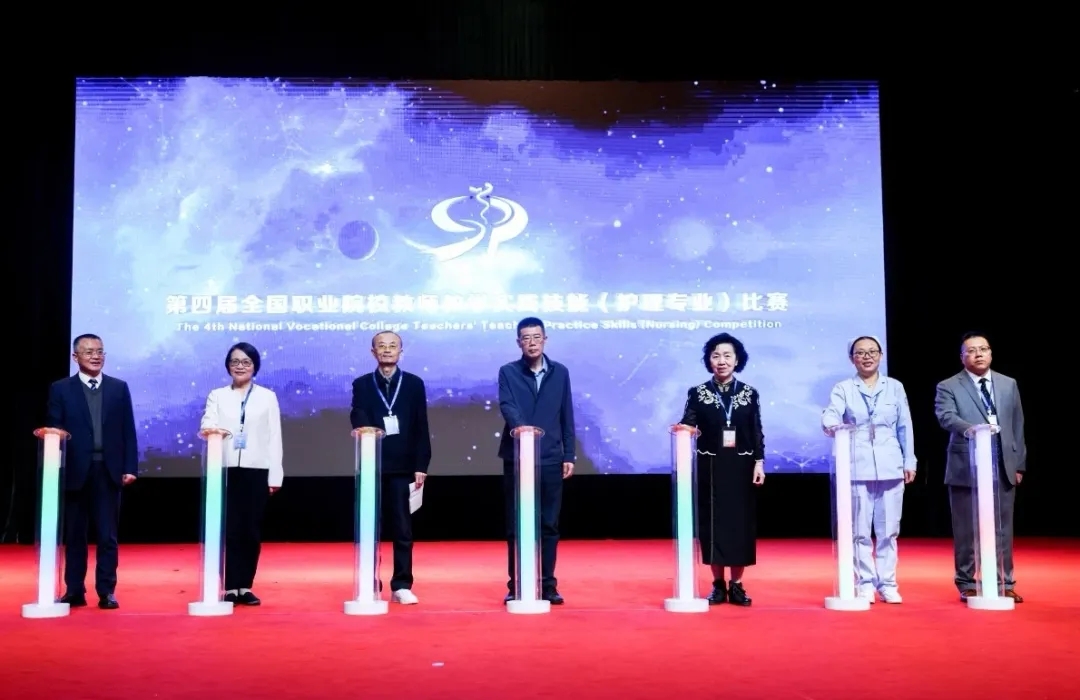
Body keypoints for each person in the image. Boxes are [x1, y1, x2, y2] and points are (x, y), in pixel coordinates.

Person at [821, 336, 916, 604]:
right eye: (860, 353)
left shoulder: (895, 387)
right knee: (859, 531)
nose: (867, 356)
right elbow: (831, 414)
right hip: (856, 465)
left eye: (872, 351)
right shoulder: (843, 388)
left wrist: (909, 460)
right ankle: (864, 583)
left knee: (889, 530)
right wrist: (831, 424)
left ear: (881, 355)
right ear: (852, 358)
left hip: (890, 464)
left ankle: (888, 583)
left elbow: (905, 426)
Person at [46, 333, 138, 610]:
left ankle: (106, 591)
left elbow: (128, 431)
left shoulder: (118, 388)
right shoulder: (61, 389)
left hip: (108, 471)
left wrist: (130, 467)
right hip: (74, 471)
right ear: (75, 357)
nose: (96, 356)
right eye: (89, 352)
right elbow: (54, 428)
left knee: (107, 536)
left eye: (99, 351)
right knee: (75, 535)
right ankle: (74, 590)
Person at [934, 332, 1026, 603]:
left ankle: (1003, 582)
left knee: (1003, 528)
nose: (979, 354)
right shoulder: (948, 385)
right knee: (966, 529)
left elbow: (1018, 425)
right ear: (962, 357)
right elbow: (946, 417)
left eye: (983, 349)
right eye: (972, 350)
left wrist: (1019, 464)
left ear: (991, 353)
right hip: (966, 464)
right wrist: (975, 430)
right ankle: (966, 582)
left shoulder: (1008, 384)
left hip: (1003, 463)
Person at [676, 332, 765, 606]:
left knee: (739, 525)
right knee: (713, 525)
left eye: (727, 355)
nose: (722, 361)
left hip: (741, 466)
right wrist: (683, 429)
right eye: (716, 356)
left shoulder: (750, 393)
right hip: (711, 467)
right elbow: (688, 422)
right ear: (709, 361)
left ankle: (736, 585)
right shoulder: (697, 392)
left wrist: (759, 462)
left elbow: (756, 430)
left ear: (737, 360)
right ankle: (717, 585)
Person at [349, 331, 431, 605]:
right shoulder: (362, 384)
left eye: (392, 346)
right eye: (381, 346)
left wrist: (421, 464)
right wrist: (363, 426)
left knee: (402, 528)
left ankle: (402, 584)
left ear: (400, 351)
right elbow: (357, 414)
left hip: (403, 466)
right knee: (370, 527)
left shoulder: (414, 384)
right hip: (372, 464)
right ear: (372, 352)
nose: (387, 350)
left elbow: (421, 425)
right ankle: (369, 582)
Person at [497, 317, 575, 605]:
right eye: (526, 338)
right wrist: (523, 431)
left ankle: (547, 584)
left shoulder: (560, 372)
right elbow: (507, 405)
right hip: (517, 457)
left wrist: (569, 453)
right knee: (516, 523)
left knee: (549, 524)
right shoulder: (508, 372)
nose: (532, 342)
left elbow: (566, 413)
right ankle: (517, 584)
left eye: (536, 337)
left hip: (551, 457)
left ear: (545, 339)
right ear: (519, 342)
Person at [200, 342, 283, 606]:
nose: (240, 366)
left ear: (255, 366)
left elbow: (274, 437)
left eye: (246, 362)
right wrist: (214, 429)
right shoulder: (217, 395)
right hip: (224, 469)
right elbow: (207, 422)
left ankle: (244, 586)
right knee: (229, 530)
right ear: (228, 366)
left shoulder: (267, 397)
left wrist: (275, 475)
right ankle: (228, 586)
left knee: (250, 530)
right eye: (235, 361)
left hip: (256, 469)